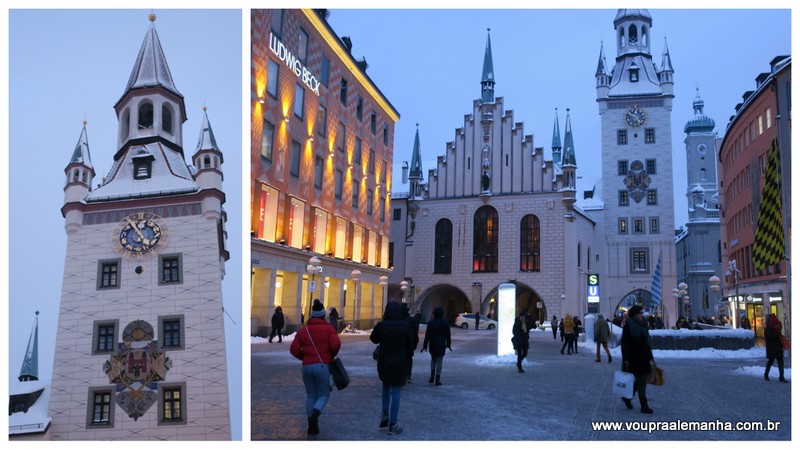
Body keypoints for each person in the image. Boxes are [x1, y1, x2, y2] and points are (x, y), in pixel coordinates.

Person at [290, 299, 342, 436]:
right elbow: (336, 344)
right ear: (323, 315)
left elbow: (294, 349)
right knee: (324, 393)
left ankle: (311, 424)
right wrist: (330, 355)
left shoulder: (303, 330)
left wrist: (305, 357)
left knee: (311, 395)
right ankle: (316, 413)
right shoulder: (329, 329)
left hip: (307, 367)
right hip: (322, 365)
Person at [370, 301, 414, 435]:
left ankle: (385, 414)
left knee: (385, 385)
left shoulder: (382, 325)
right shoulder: (405, 326)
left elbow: (373, 338)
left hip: (384, 361)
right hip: (400, 361)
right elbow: (410, 346)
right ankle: (393, 423)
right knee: (396, 390)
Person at [620, 304, 655, 414]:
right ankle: (643, 405)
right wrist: (625, 358)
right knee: (640, 380)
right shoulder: (629, 325)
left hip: (643, 356)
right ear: (635, 314)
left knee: (640, 380)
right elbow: (624, 343)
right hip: (633, 357)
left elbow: (647, 343)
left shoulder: (644, 325)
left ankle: (628, 398)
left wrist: (650, 357)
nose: (642, 315)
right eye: (641, 313)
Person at [421, 306, 451, 385]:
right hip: (441, 344)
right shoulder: (445, 322)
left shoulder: (431, 322)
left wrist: (425, 345)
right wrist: (448, 344)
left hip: (433, 343)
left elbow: (427, 335)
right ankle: (437, 379)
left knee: (433, 360)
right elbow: (448, 335)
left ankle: (432, 376)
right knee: (440, 361)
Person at [764, 314, 787, 382]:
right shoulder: (769, 329)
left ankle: (781, 377)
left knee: (779, 362)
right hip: (772, 348)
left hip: (776, 348)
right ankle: (766, 374)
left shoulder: (774, 328)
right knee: (771, 362)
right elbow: (768, 338)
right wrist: (778, 336)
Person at [401, 303, 420, 385]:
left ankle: (403, 376)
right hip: (410, 343)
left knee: (402, 359)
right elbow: (415, 333)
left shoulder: (399, 320)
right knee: (409, 359)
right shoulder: (411, 320)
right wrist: (415, 343)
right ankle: (408, 375)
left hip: (401, 344)